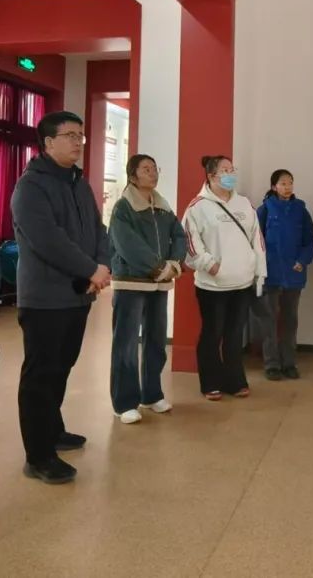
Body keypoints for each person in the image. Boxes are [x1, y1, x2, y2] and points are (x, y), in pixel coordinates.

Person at [12, 111, 111, 485]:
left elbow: (98, 229)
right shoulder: (31, 187)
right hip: (45, 298)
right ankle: (38, 456)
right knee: (41, 375)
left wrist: (101, 265)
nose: (78, 141)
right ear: (48, 142)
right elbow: (48, 240)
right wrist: (90, 269)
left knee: (61, 368)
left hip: (77, 295)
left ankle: (52, 430)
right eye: (70, 135)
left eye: (80, 135)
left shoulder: (78, 183)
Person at [108, 154, 187, 424]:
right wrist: (157, 267)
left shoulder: (163, 207)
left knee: (156, 341)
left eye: (154, 168)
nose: (153, 173)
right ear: (132, 176)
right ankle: (124, 402)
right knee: (126, 344)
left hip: (159, 284)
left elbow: (178, 235)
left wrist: (174, 263)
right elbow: (127, 244)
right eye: (146, 169)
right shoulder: (123, 207)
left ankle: (152, 394)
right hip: (131, 282)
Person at [182, 155, 267, 400]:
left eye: (232, 169)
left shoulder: (244, 204)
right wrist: (210, 265)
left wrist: (259, 270)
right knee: (213, 333)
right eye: (225, 170)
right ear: (211, 176)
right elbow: (190, 243)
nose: (231, 174)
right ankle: (210, 382)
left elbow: (257, 239)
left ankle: (234, 381)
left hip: (242, 282)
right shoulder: (197, 207)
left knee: (234, 334)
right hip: (213, 286)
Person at [254, 169, 313, 381]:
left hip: (293, 273)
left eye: (290, 183)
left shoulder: (301, 210)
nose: (287, 187)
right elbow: (256, 241)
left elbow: (310, 241)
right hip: (270, 273)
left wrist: (302, 260)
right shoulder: (265, 210)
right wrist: (260, 266)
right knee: (269, 320)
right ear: (274, 187)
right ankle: (271, 364)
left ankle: (289, 363)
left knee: (290, 320)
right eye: (283, 183)